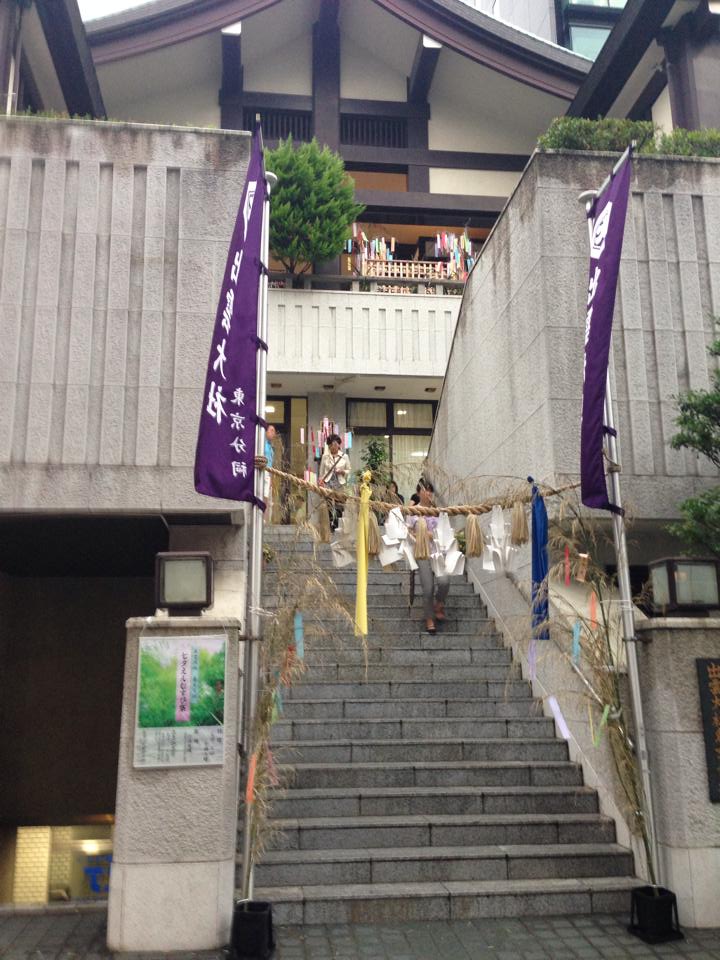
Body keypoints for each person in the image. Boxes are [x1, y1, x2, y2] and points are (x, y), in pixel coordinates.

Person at [407, 479, 450, 634]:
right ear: (419, 493)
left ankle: (439, 604)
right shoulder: (413, 511)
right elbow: (408, 530)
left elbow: (444, 530)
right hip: (422, 553)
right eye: (426, 490)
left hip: (437, 551)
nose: (429, 493)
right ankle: (429, 618)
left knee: (444, 581)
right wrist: (420, 535)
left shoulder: (437, 511)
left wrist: (432, 534)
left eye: (431, 490)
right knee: (428, 587)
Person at [318, 433, 351, 530]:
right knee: (328, 503)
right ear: (328, 446)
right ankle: (330, 523)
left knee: (339, 504)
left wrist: (342, 471)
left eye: (335, 444)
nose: (333, 447)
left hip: (340, 482)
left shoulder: (344, 456)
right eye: (331, 445)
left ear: (339, 445)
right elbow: (322, 471)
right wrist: (321, 481)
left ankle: (336, 524)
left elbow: (349, 470)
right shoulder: (325, 456)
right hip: (328, 482)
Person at [263, 425, 276, 520]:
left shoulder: (270, 447)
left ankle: (267, 521)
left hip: (269, 473)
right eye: (271, 431)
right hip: (262, 472)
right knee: (264, 496)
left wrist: (271, 478)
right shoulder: (261, 443)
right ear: (266, 432)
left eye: (274, 432)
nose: (273, 433)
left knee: (269, 499)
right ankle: (262, 519)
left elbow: (271, 464)